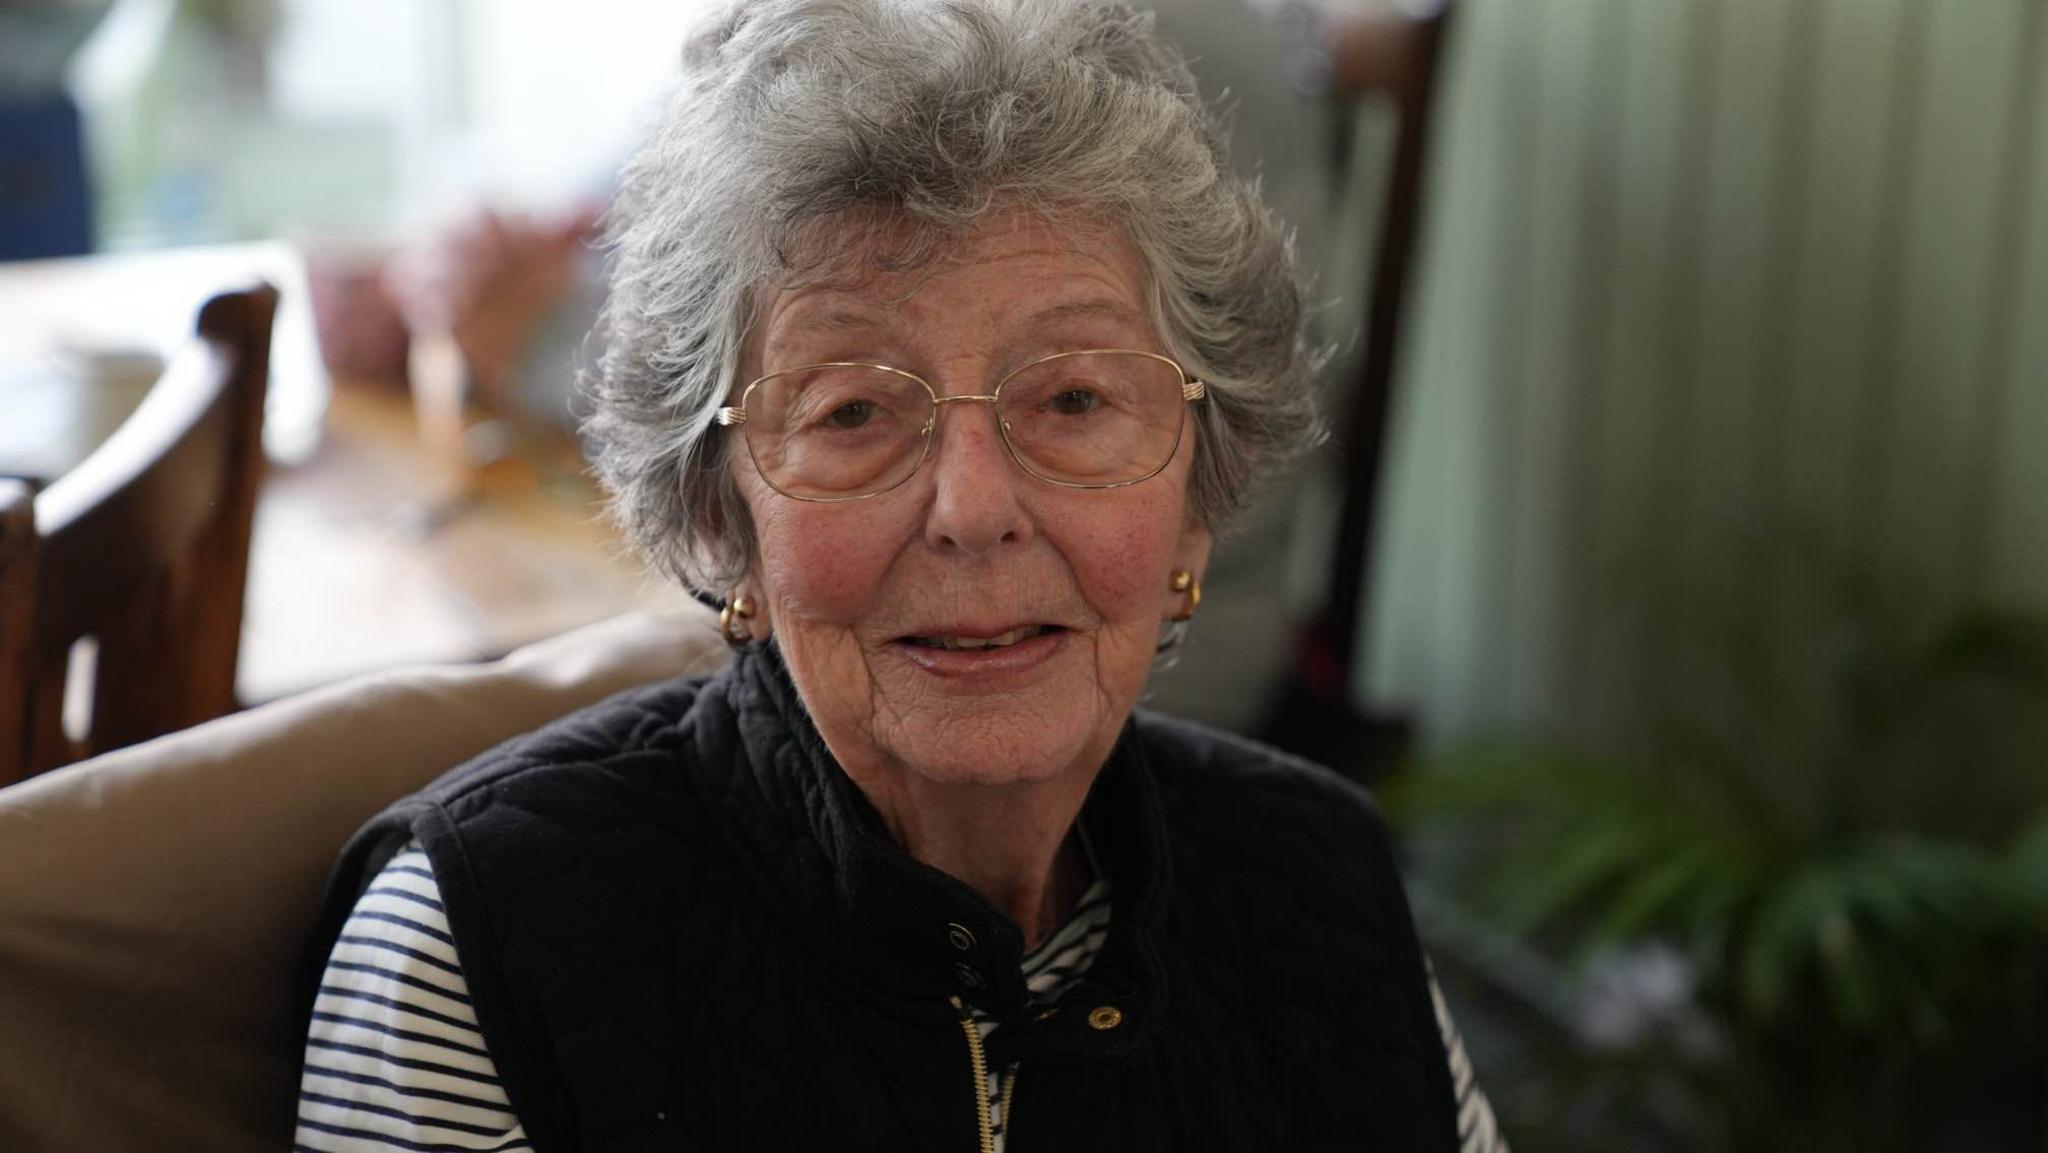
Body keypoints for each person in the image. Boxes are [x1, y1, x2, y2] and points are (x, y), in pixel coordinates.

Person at [293, 2, 1505, 1151]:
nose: (972, 510)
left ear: (1198, 500)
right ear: (722, 518)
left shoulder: (1322, 888)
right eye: (855, 411)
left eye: (1075, 398)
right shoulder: (479, 953)